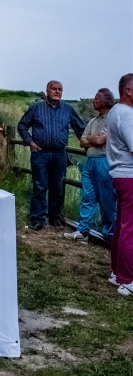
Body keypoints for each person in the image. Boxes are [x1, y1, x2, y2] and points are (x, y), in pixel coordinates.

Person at [17, 80, 85, 230]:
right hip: (40, 153)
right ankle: (37, 219)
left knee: (57, 187)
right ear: (47, 90)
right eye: (54, 89)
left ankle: (55, 217)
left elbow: (80, 129)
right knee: (40, 186)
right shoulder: (36, 108)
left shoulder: (68, 109)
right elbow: (22, 125)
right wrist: (30, 142)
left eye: (60, 89)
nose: (57, 91)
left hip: (59, 154)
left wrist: (89, 145)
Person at [64, 88, 116, 241]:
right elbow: (82, 141)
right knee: (87, 196)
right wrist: (95, 139)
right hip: (90, 162)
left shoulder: (113, 119)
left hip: (104, 162)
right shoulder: (94, 121)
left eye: (96, 98)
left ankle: (110, 233)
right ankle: (83, 230)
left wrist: (93, 140)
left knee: (107, 198)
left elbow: (100, 141)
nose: (93, 100)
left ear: (105, 101)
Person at [106, 73, 133, 295]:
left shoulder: (115, 111)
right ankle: (127, 279)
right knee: (129, 229)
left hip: (119, 174)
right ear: (129, 91)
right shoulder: (127, 115)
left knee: (122, 225)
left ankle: (117, 273)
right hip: (129, 175)